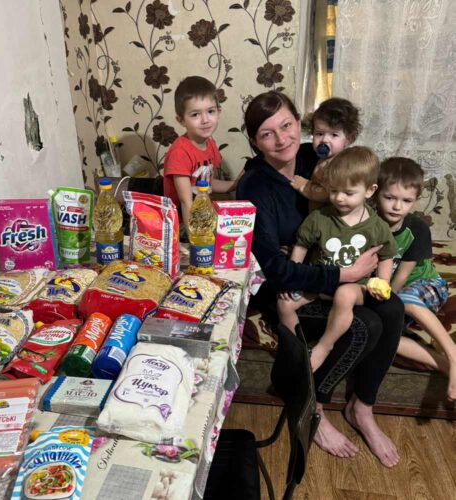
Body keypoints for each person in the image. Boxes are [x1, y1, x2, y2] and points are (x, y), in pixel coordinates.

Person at [236, 90, 403, 468]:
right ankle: (315, 407)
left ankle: (363, 407)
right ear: (253, 141)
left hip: (332, 270)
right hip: (288, 285)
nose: (281, 139)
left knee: (391, 306)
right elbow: (274, 269)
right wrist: (344, 274)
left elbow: (358, 188)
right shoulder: (255, 188)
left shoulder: (318, 157)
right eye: (267, 133)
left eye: (288, 125)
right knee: (366, 327)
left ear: (302, 124)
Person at [278, 146, 396, 372]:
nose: (339, 198)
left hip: (355, 287)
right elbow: (301, 245)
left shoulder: (377, 226)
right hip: (321, 282)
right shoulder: (319, 218)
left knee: (343, 294)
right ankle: (301, 353)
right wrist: (292, 276)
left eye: (349, 193)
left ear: (369, 191)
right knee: (284, 302)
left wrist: (382, 281)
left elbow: (386, 255)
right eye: (333, 191)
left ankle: (323, 347)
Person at [376, 157, 455, 400]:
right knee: (384, 336)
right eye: (390, 198)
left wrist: (386, 300)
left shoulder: (418, 229)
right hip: (385, 288)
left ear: (416, 200)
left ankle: (453, 353)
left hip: (423, 285)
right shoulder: (366, 222)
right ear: (375, 192)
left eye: (406, 200)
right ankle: (444, 365)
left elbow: (402, 275)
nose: (397, 206)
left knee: (404, 300)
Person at [163, 76, 240, 234]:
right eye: (195, 115)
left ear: (218, 112)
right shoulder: (180, 152)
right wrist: (197, 240)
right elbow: (186, 201)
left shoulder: (210, 144)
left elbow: (206, 183)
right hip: (179, 220)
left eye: (210, 111)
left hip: (200, 213)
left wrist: (234, 184)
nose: (205, 120)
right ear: (181, 120)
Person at [290, 97, 362, 210]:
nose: (324, 140)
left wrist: (304, 185)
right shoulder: (323, 158)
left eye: (334, 135)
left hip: (330, 216)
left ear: (348, 139)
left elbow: (328, 193)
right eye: (319, 133)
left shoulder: (341, 164)